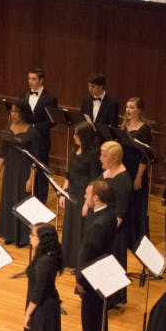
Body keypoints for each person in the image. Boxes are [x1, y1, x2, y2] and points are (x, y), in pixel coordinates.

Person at [68, 179, 116, 331]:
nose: (84, 196)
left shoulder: (98, 223)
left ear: (96, 198)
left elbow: (86, 253)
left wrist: (79, 279)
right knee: (100, 312)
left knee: (90, 316)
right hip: (103, 270)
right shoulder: (108, 215)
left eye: (87, 194)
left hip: (92, 274)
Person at [0, 102, 39, 247]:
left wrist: (31, 178)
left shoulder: (32, 132)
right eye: (12, 112)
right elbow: (3, 151)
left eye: (16, 112)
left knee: (22, 202)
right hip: (10, 169)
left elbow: (35, 158)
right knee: (8, 200)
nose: (13, 114)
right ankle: (8, 234)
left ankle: (23, 238)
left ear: (23, 113)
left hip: (25, 170)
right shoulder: (8, 126)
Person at [60, 122, 101, 269]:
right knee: (69, 225)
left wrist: (87, 203)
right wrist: (63, 193)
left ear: (85, 136)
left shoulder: (93, 155)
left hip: (84, 194)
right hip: (71, 192)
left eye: (77, 134)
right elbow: (69, 173)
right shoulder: (74, 149)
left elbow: (94, 180)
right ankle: (67, 259)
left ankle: (79, 262)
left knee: (80, 228)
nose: (74, 137)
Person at [101, 140, 132, 306]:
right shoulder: (107, 173)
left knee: (113, 262)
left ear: (114, 159)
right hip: (103, 224)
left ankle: (113, 298)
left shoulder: (124, 180)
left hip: (114, 230)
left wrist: (107, 232)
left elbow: (121, 212)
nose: (100, 158)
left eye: (104, 156)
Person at [21, 68, 59, 203]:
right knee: (25, 168)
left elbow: (53, 121)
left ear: (41, 80)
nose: (30, 81)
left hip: (41, 139)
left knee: (41, 170)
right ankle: (26, 199)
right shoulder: (23, 95)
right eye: (29, 78)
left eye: (33, 79)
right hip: (25, 139)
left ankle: (41, 201)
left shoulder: (50, 99)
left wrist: (35, 127)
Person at [121, 97, 152, 249]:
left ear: (139, 110)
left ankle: (136, 240)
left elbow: (145, 156)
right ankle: (125, 237)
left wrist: (139, 177)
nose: (128, 110)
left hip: (137, 171)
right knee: (125, 202)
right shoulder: (123, 126)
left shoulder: (145, 129)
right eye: (127, 107)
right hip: (124, 169)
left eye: (132, 107)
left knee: (136, 205)